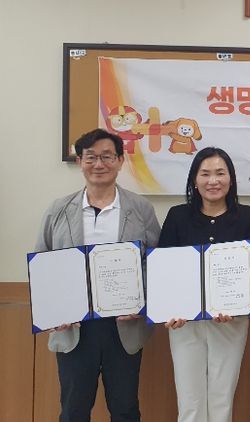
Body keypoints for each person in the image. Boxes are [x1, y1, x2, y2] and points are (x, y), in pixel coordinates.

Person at [35, 128, 160, 422]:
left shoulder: (140, 209)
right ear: (80, 161)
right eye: (91, 157)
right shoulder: (58, 210)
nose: (99, 164)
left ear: (120, 161)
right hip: (74, 326)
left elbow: (155, 263)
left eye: (107, 156)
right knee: (74, 409)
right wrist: (53, 312)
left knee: (125, 408)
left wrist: (142, 304)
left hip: (123, 325)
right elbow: (42, 265)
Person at [158, 147, 250, 422]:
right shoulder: (177, 216)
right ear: (194, 180)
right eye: (205, 174)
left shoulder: (248, 217)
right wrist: (170, 309)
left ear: (231, 178)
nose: (213, 181)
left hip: (230, 321)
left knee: (221, 400)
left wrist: (236, 302)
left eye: (220, 173)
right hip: (185, 323)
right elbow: (165, 270)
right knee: (189, 402)